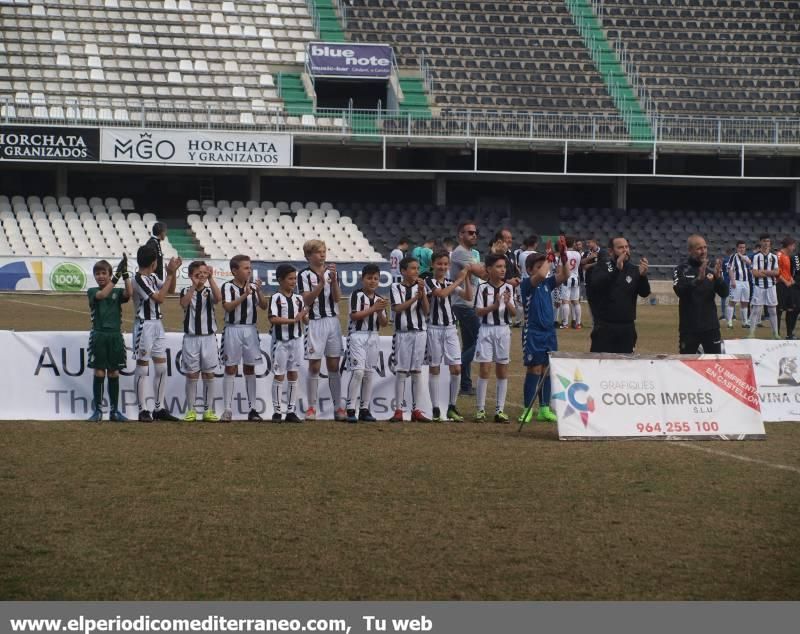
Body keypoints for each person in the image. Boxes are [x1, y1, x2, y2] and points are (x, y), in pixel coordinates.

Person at [519, 250, 570, 424]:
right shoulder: (527, 284)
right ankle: (527, 410)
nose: (543, 269)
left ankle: (544, 409)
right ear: (529, 269)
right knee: (534, 369)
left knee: (547, 370)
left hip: (549, 332)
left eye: (544, 265)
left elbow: (565, 274)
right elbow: (541, 274)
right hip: (533, 332)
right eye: (538, 266)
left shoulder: (547, 284)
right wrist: (549, 258)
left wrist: (563, 257)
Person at [132, 245, 182, 421]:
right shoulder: (138, 279)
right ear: (154, 263)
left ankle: (159, 408)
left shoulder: (152, 277)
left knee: (161, 367)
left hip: (157, 324)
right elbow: (160, 298)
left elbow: (171, 290)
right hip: (144, 326)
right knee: (142, 368)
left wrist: (173, 272)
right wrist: (168, 274)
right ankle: (143, 409)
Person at [297, 239, 345, 421]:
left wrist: (332, 282)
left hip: (332, 321)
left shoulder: (333, 273)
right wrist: (321, 283)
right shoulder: (304, 275)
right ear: (309, 256)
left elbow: (338, 298)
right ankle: (311, 408)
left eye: (324, 251)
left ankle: (338, 407)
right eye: (318, 252)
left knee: (334, 365)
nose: (323, 255)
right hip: (315, 323)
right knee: (314, 366)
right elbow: (307, 300)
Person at [220, 254, 268, 422]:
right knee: (231, 367)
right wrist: (243, 295)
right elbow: (227, 307)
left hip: (250, 330)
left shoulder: (253, 287)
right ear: (234, 271)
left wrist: (259, 291)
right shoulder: (227, 287)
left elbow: (263, 306)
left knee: (250, 368)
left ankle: (253, 409)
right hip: (233, 329)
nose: (249, 271)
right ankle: (227, 409)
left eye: (250, 267)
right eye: (246, 268)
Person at [426, 250, 472, 422]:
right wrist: (460, 279)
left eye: (445, 264)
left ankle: (452, 406)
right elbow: (441, 294)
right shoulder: (429, 281)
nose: (443, 267)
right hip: (434, 328)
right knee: (435, 367)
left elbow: (468, 296)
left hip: (451, 328)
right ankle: (436, 407)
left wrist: (467, 277)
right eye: (439, 263)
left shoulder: (450, 282)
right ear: (433, 265)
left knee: (456, 368)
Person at [86, 257, 132, 422]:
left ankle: (114, 411)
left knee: (113, 372)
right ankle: (97, 410)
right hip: (98, 336)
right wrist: (116, 277)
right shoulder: (92, 291)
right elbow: (102, 294)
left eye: (104, 273)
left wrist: (125, 275)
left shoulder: (117, 292)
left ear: (109, 274)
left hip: (115, 336)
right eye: (97, 273)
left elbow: (129, 293)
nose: (100, 276)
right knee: (99, 371)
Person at [473, 253, 516, 423]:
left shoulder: (509, 288)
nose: (502, 270)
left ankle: (500, 410)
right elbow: (478, 312)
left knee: (502, 370)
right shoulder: (482, 288)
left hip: (503, 330)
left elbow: (514, 313)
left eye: (504, 267)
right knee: (484, 369)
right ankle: (480, 409)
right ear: (489, 269)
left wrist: (508, 302)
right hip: (486, 330)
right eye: (498, 267)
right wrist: (495, 305)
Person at [588, 236, 650, 353]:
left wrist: (643, 277)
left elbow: (644, 293)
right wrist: (617, 269)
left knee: (626, 365)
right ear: (611, 251)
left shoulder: (633, 269)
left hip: (627, 327)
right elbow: (597, 285)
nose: (625, 250)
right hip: (605, 326)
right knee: (600, 365)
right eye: (620, 247)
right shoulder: (602, 267)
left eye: (626, 247)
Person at [389, 256, 431, 422]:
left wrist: (423, 295)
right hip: (403, 333)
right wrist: (415, 297)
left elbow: (426, 311)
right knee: (401, 371)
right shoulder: (395, 287)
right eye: (413, 268)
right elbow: (398, 308)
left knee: (416, 371)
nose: (416, 272)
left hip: (420, 332)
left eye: (417, 268)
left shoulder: (422, 287)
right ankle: (398, 410)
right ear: (403, 271)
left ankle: (416, 410)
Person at [344, 263, 388, 423]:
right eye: (369, 278)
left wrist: (380, 311)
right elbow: (355, 316)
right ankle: (350, 409)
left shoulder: (380, 299)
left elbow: (384, 323)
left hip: (374, 336)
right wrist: (374, 308)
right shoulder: (356, 295)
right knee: (358, 372)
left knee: (369, 373)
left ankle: (364, 408)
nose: (373, 281)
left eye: (376, 278)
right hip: (357, 336)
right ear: (363, 279)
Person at [179, 261, 222, 422]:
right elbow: (183, 303)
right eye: (199, 274)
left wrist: (211, 279)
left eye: (205, 273)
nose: (202, 276)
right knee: (192, 374)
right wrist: (193, 286)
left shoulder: (209, 291)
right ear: (191, 276)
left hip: (208, 338)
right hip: (191, 338)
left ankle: (208, 410)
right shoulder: (185, 290)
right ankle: (190, 410)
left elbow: (219, 299)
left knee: (208, 373)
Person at [673, 234, 729, 353]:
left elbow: (724, 293)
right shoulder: (681, 270)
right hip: (689, 328)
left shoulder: (711, 270)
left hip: (711, 327)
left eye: (705, 247)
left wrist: (719, 279)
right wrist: (698, 280)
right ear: (690, 250)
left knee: (714, 363)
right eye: (699, 248)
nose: (703, 251)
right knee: (686, 366)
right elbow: (680, 291)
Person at [449, 220, 487, 395]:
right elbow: (482, 272)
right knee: (481, 339)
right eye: (470, 232)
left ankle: (464, 385)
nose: (474, 235)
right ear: (460, 235)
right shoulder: (460, 253)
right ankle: (455, 366)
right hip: (463, 303)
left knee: (469, 344)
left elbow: (480, 270)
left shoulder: (470, 252)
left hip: (467, 302)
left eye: (475, 232)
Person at [268, 264, 307, 423]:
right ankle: (277, 412)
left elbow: (304, 318)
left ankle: (291, 411)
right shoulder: (276, 297)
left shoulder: (298, 299)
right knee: (279, 375)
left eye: (295, 278)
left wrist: (306, 316)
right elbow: (272, 318)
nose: (293, 282)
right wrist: (294, 320)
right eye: (290, 278)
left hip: (296, 340)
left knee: (293, 374)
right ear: (280, 280)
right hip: (281, 342)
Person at [749, 235, 780, 339]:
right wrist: (770, 273)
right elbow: (755, 273)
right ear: (760, 242)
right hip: (759, 287)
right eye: (764, 241)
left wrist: (763, 271)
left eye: (768, 241)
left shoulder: (774, 257)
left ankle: (775, 333)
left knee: (773, 311)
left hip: (771, 286)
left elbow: (777, 272)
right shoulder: (755, 256)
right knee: (756, 310)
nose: (766, 243)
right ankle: (751, 333)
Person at [558, 237, 583, 330]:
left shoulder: (564, 254)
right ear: (573, 244)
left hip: (566, 278)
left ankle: (565, 323)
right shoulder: (578, 254)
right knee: (576, 302)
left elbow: (560, 269)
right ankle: (578, 323)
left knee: (565, 301)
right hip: (576, 278)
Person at [726, 240, 752, 329]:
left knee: (745, 302)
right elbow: (730, 269)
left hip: (746, 282)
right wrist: (732, 281)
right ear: (737, 248)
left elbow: (749, 262)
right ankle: (729, 322)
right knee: (732, 301)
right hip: (736, 281)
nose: (742, 249)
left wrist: (741, 256)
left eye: (743, 247)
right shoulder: (733, 256)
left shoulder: (746, 257)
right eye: (740, 247)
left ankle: (744, 322)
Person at [777, 237, 797, 338]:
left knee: (790, 309)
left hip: (788, 286)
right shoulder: (779, 255)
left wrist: (791, 279)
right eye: (793, 245)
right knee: (779, 310)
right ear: (789, 245)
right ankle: (777, 334)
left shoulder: (787, 256)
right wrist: (785, 281)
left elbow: (786, 272)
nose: (794, 247)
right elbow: (776, 272)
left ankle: (789, 334)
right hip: (780, 285)